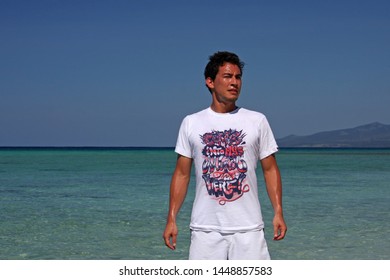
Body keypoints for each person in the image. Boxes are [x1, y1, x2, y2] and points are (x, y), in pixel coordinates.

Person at [163, 51, 287, 260]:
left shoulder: (257, 120)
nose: (234, 83)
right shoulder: (192, 123)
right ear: (210, 82)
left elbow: (270, 169)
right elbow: (182, 174)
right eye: (228, 76)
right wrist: (171, 218)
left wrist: (278, 211)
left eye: (238, 77)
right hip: (205, 229)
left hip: (249, 229)